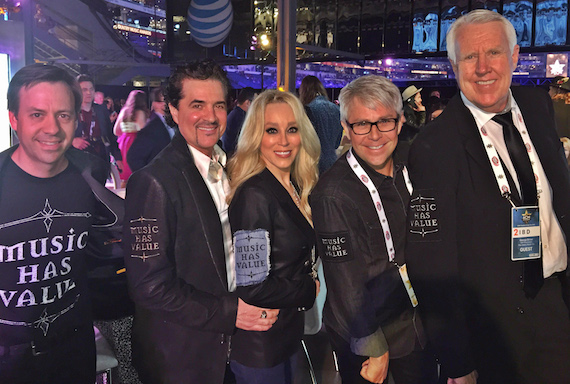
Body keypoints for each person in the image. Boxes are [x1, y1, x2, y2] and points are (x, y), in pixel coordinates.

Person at [406, 10, 570, 384]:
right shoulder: (433, 146)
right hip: (492, 329)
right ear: (453, 66)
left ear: (513, 57)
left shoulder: (539, 107)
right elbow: (431, 262)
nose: (482, 68)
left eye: (493, 53)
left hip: (557, 302)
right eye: (469, 57)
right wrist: (457, 360)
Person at [123, 59, 279, 384]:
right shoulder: (154, 181)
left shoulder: (227, 166)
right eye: (197, 105)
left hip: (232, 346)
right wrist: (231, 312)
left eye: (218, 105)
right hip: (184, 357)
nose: (210, 116)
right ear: (174, 110)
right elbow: (149, 287)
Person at [310, 75, 437, 384]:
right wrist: (373, 346)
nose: (375, 135)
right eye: (362, 124)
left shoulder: (413, 164)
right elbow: (346, 282)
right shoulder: (333, 193)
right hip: (369, 331)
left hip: (418, 320)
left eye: (384, 122)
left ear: (401, 120)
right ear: (345, 127)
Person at [0, 63, 115, 383]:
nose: (52, 128)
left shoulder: (89, 173)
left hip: (72, 353)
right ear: (14, 119)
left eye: (63, 115)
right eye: (37, 114)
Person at [226, 90, 320, 383]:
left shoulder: (293, 185)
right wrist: (309, 289)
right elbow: (253, 286)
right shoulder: (255, 193)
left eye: (291, 129)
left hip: (285, 334)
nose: (283, 140)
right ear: (256, 136)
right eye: (271, 130)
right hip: (260, 348)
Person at [73, 74, 122, 180]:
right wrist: (72, 141)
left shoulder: (101, 110)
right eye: (84, 89)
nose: (88, 93)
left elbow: (110, 136)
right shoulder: (70, 111)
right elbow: (58, 135)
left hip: (100, 159)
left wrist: (118, 158)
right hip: (78, 161)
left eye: (91, 89)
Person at [299, 75, 343, 174]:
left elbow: (306, 142)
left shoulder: (308, 110)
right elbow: (337, 143)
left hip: (313, 165)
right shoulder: (337, 109)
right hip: (333, 163)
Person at [127, 87, 175, 173]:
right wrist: (149, 178)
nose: (168, 104)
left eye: (170, 101)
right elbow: (133, 157)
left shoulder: (174, 122)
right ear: (155, 104)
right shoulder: (151, 128)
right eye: (164, 101)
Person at [113, 90, 149, 182]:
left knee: (125, 174)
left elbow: (116, 131)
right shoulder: (140, 113)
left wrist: (126, 133)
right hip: (135, 142)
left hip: (123, 142)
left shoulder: (124, 111)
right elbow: (143, 130)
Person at [221, 87, 256, 158]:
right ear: (247, 103)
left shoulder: (235, 113)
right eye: (255, 103)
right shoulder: (240, 117)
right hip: (235, 157)